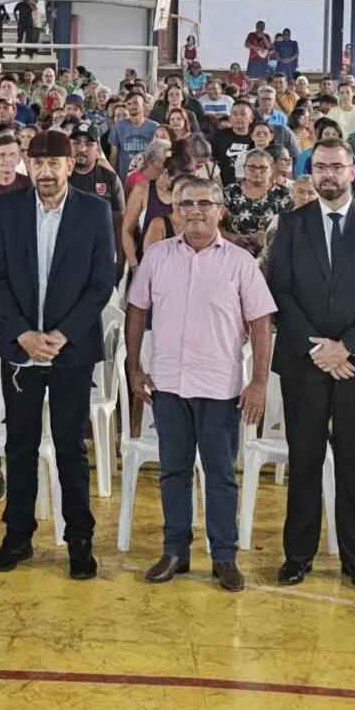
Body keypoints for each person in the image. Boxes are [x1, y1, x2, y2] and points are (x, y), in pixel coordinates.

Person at [123, 174, 275, 593]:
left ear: (220, 211)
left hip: (219, 388)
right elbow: (136, 310)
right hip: (168, 384)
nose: (195, 211)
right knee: (173, 472)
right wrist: (134, 367)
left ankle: (224, 556)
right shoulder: (157, 257)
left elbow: (261, 323)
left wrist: (258, 383)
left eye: (204, 203)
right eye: (186, 203)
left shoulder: (239, 262)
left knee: (220, 474)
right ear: (174, 211)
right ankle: (175, 550)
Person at [263, 136, 355, 590]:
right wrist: (318, 350)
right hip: (305, 364)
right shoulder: (291, 224)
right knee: (304, 460)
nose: (328, 174)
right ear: (311, 173)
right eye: (320, 167)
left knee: (354, 462)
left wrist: (347, 348)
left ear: (351, 172)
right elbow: (281, 290)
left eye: (336, 167)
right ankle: (297, 555)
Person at [0, 129, 116, 578]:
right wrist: (23, 333)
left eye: (53, 163)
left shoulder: (94, 211)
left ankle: (78, 538)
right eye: (37, 163)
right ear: (28, 164)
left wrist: (62, 334)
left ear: (69, 165)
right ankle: (17, 536)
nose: (45, 171)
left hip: (70, 350)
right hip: (20, 348)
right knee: (19, 445)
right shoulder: (9, 208)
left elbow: (101, 283)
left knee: (69, 447)